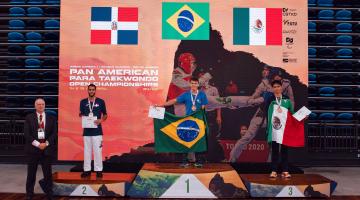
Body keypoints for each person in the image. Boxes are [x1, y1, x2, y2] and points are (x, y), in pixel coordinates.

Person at [157, 77, 208, 167]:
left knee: (198, 141)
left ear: (198, 85)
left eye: (195, 83)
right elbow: (174, 101)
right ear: (190, 84)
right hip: (188, 120)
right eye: (192, 83)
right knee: (185, 140)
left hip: (198, 120)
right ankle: (184, 162)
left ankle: (199, 161)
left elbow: (203, 108)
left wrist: (203, 118)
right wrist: (162, 105)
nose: (193, 85)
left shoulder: (202, 95)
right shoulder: (186, 95)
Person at [24, 98, 57, 200]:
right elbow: (27, 134)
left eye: (42, 104)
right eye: (38, 104)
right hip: (33, 150)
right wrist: (38, 144)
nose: (41, 106)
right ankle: (29, 193)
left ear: (45, 105)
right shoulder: (29, 117)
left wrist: (46, 144)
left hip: (46, 150)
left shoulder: (51, 118)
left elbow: (54, 134)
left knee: (47, 174)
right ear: (35, 106)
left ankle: (49, 193)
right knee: (31, 173)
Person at [79, 84, 108, 178]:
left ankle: (99, 170)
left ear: (95, 90)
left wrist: (101, 120)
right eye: (90, 90)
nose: (91, 91)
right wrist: (81, 116)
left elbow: (105, 115)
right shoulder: (83, 102)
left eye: (93, 90)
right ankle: (87, 170)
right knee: (87, 151)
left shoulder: (101, 101)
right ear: (88, 90)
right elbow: (81, 113)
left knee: (98, 151)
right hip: (87, 131)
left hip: (97, 131)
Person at [267, 80, 294, 179]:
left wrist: (301, 117)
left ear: (281, 87)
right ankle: (274, 170)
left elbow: (291, 113)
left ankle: (285, 170)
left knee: (284, 150)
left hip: (284, 129)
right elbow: (268, 114)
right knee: (274, 150)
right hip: (274, 129)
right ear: (272, 88)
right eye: (274, 86)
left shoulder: (286, 100)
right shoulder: (270, 99)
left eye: (278, 86)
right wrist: (268, 130)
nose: (276, 88)